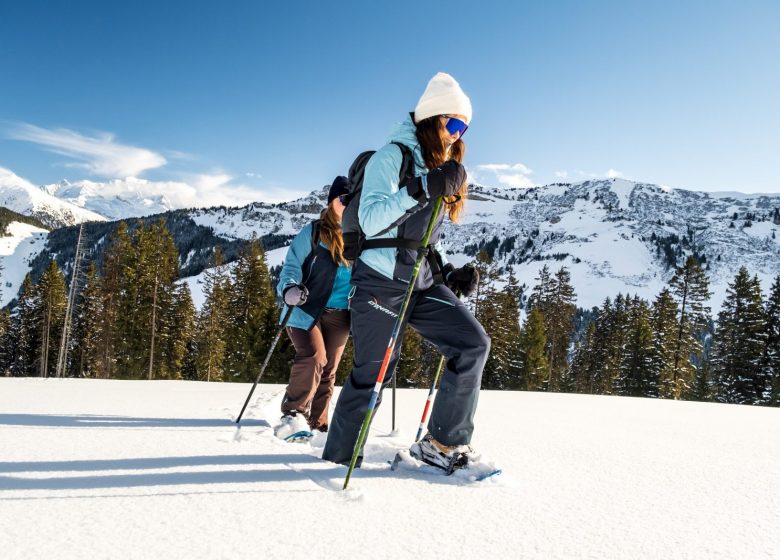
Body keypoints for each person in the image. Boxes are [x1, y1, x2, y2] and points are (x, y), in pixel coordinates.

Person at [322, 72, 490, 471]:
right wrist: (424, 187)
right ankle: (338, 461)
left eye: (465, 127)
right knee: (374, 373)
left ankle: (443, 444)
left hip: (420, 281)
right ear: (433, 119)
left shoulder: (436, 166)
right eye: (453, 124)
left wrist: (446, 272)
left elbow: (418, 238)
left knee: (472, 344)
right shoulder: (391, 157)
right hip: (379, 281)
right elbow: (373, 217)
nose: (457, 134)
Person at [274, 177, 352, 440]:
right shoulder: (315, 232)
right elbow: (292, 266)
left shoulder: (360, 236)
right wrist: (289, 289)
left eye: (354, 200)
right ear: (332, 201)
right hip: (305, 309)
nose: (348, 204)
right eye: (344, 199)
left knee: (329, 370)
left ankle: (317, 425)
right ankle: (293, 414)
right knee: (314, 356)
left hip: (341, 315)